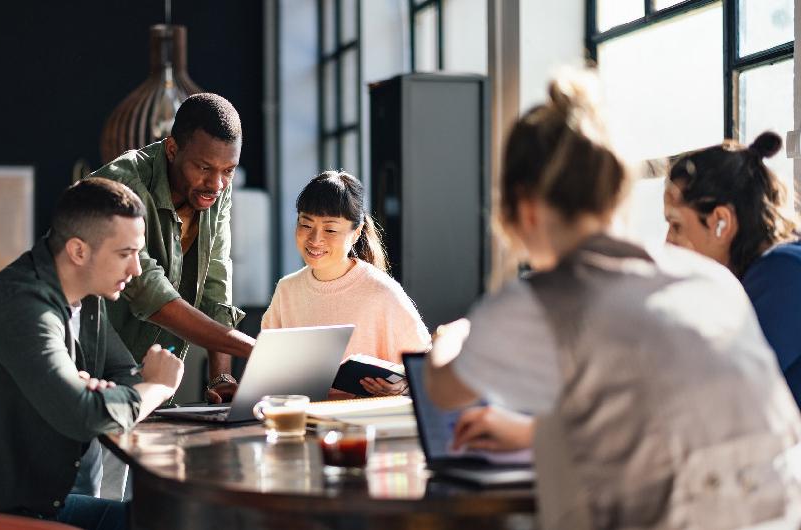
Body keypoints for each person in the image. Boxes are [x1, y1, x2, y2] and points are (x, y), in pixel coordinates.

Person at [423, 72, 801, 529]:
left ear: (524, 208)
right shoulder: (710, 279)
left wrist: (453, 336)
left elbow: (442, 390)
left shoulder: (543, 301)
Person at [0, 178, 185, 530]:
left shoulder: (88, 299)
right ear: (79, 251)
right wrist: (159, 386)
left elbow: (123, 371)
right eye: (125, 254)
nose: (136, 270)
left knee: (164, 519)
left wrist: (104, 395)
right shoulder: (22, 307)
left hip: (32, 504)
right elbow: (83, 415)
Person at [89, 93, 254, 405]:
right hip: (86, 374)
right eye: (204, 167)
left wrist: (222, 377)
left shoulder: (216, 191)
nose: (216, 183)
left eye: (228, 170)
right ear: (172, 148)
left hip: (149, 390)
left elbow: (216, 287)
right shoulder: (120, 184)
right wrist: (255, 351)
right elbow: (150, 292)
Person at [261, 171, 430, 396]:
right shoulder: (287, 290)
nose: (315, 239)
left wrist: (404, 385)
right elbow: (265, 370)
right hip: (301, 421)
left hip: (363, 423)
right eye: (305, 224)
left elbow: (426, 367)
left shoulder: (382, 292)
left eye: (330, 229)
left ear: (356, 233)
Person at [664, 132, 801, 408]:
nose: (667, 242)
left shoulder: (783, 273)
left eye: (676, 225)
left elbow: (714, 398)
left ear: (721, 222)